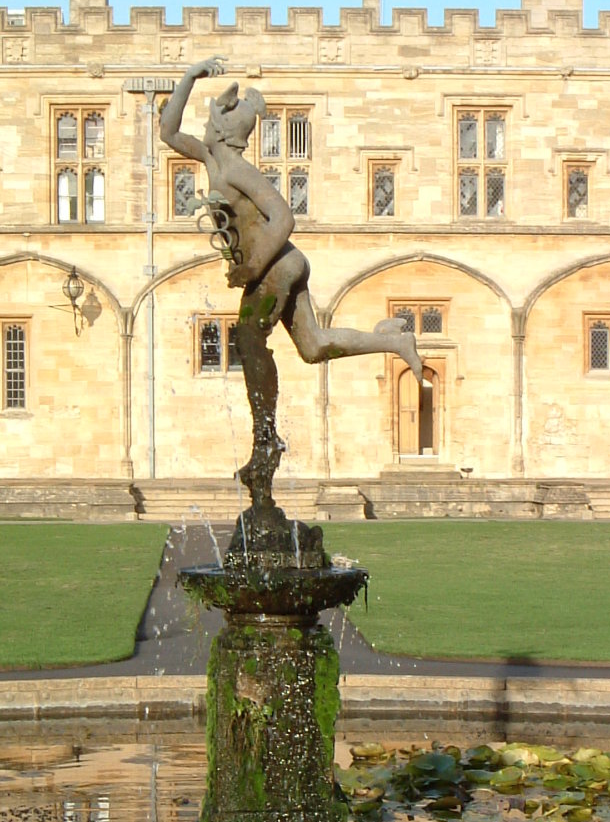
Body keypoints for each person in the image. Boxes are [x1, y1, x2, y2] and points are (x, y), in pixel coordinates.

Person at [160, 56, 422, 509]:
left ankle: (265, 439)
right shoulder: (211, 159)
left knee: (248, 338)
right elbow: (167, 131)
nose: (201, 127)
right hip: (281, 266)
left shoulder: (236, 171)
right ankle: (393, 342)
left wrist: (251, 268)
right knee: (313, 346)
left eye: (209, 120)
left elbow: (283, 217)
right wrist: (188, 77)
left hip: (276, 266)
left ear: (221, 130)